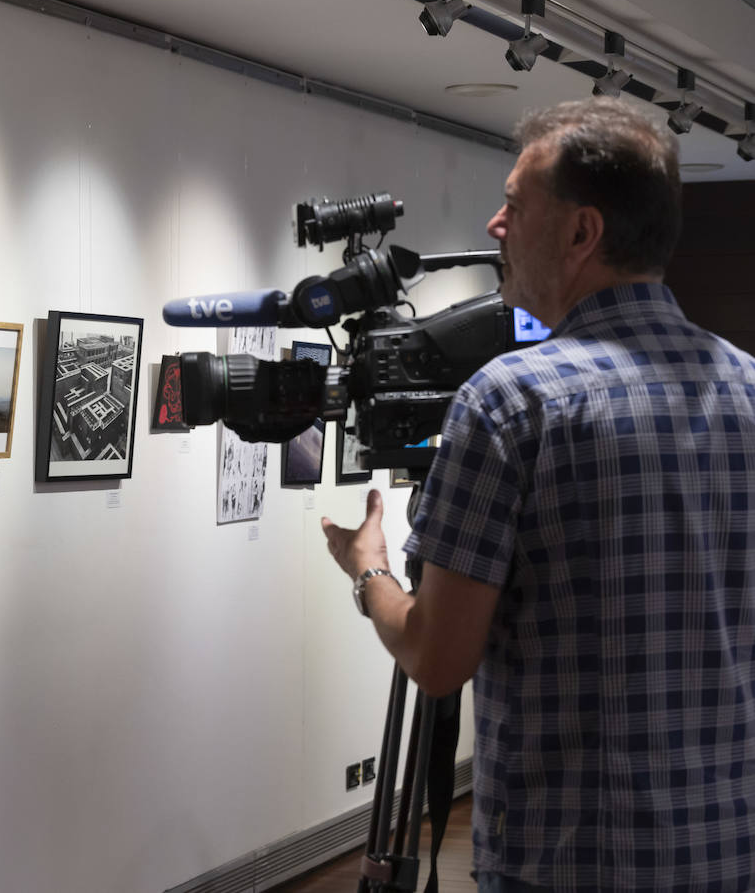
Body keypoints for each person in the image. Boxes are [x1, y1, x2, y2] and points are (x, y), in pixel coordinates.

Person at [321, 96, 755, 891]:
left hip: (572, 862)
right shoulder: (748, 387)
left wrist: (368, 569)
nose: (495, 226)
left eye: (516, 206)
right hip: (727, 849)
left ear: (582, 232)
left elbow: (438, 657)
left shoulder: (511, 400)